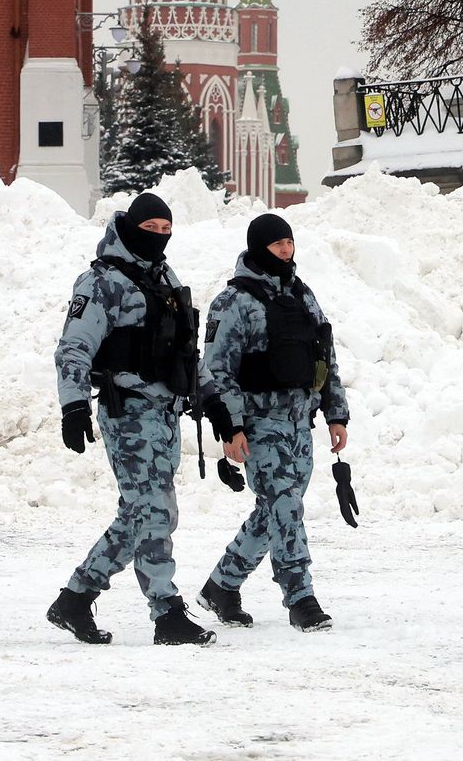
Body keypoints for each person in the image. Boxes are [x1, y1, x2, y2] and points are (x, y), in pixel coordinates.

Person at [46, 192, 216, 647]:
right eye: (151, 229)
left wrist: (211, 398)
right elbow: (74, 347)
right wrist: (73, 404)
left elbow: (182, 346)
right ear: (130, 228)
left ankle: (76, 598)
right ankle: (167, 614)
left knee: (139, 514)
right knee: (156, 511)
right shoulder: (102, 283)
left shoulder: (163, 278)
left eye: (166, 230)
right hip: (128, 411)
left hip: (165, 413)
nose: (159, 238)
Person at [196, 212, 349, 632]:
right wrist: (231, 426)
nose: (286, 250)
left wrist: (336, 412)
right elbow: (217, 370)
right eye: (277, 244)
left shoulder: (303, 296)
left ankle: (221, 586)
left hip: (301, 421)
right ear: (259, 247)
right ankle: (300, 597)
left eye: (290, 243)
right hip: (260, 422)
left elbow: (325, 357)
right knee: (285, 506)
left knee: (277, 509)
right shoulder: (234, 302)